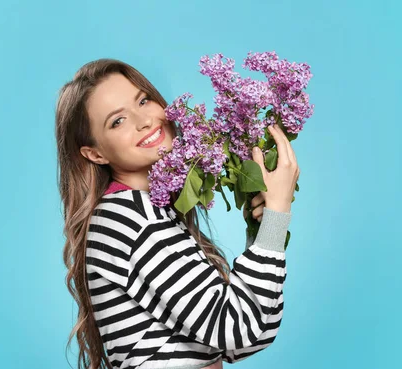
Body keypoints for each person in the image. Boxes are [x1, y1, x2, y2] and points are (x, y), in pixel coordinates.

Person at [55, 58, 300, 369]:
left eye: (143, 100)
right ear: (95, 153)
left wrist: (265, 228)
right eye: (117, 121)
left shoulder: (146, 212)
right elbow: (240, 332)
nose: (144, 121)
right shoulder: (132, 220)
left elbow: (248, 337)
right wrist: (277, 216)